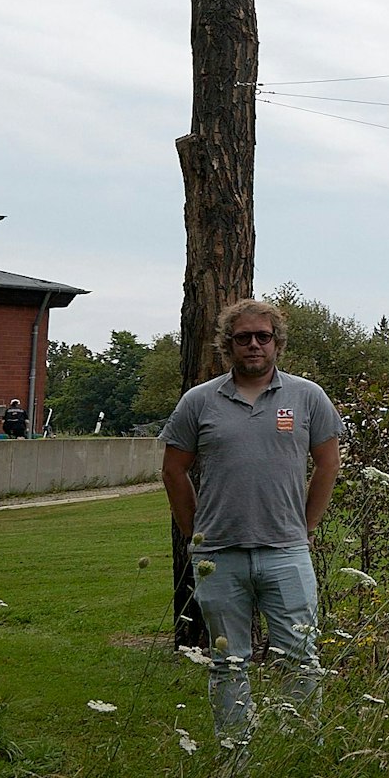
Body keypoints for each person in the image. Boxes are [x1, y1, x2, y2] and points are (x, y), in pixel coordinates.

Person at [160, 299, 342, 741]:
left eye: (263, 337)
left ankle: (298, 752)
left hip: (286, 553)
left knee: (300, 658)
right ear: (229, 345)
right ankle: (235, 752)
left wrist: (307, 527)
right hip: (218, 558)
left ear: (277, 342)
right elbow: (173, 470)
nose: (254, 345)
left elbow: (328, 464)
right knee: (228, 662)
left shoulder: (307, 396)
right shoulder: (198, 401)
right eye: (244, 338)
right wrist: (194, 535)